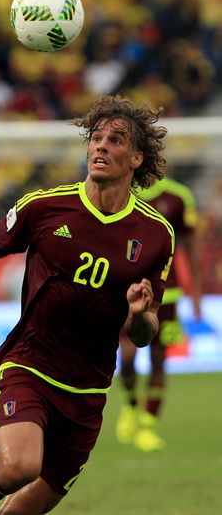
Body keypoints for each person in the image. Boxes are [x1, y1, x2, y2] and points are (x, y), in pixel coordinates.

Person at [0, 95, 173, 515]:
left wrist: (137, 314)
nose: (100, 147)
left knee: (33, 504)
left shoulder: (156, 234)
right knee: (21, 466)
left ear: (136, 159)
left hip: (89, 387)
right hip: (29, 364)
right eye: (95, 138)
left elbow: (145, 332)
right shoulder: (44, 207)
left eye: (115, 140)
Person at [115, 176, 202, 451]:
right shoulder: (120, 192)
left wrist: (196, 293)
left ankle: (148, 424)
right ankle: (131, 405)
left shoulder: (178, 197)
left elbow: (190, 247)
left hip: (168, 293)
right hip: (127, 291)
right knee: (126, 357)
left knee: (159, 358)